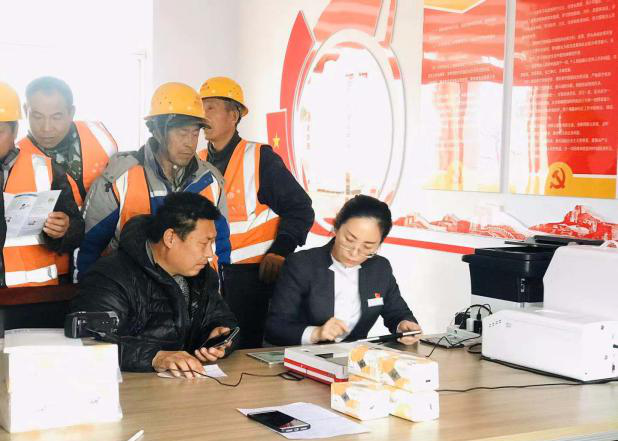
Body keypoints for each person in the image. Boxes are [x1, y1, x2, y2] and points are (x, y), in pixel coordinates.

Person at [198, 76, 314, 348]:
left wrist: (281, 250)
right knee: (211, 348)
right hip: (209, 275)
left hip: (252, 279)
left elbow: (300, 209)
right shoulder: (198, 160)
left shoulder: (260, 158)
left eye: (211, 107)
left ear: (234, 115)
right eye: (201, 108)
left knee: (246, 352)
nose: (203, 116)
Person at [72, 192, 238, 376]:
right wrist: (154, 357)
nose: (209, 254)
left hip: (188, 383)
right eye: (203, 243)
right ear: (170, 238)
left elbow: (224, 320)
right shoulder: (110, 276)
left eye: (212, 243)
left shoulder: (203, 275)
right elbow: (90, 340)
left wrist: (221, 339)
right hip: (129, 387)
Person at [76, 82, 230, 280]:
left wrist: (216, 293)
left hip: (195, 295)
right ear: (157, 130)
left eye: (195, 133)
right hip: (131, 294)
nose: (190, 143)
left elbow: (221, 248)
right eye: (182, 133)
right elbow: (88, 249)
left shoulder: (211, 180)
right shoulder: (118, 179)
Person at [265, 195, 421, 346]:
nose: (354, 253)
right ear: (336, 227)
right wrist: (316, 333)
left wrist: (404, 325)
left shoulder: (380, 268)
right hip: (301, 356)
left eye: (368, 247)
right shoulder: (302, 264)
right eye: (349, 240)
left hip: (353, 358)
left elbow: (397, 312)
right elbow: (275, 327)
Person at [0, 82, 83, 287]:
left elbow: (76, 228)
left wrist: (65, 229)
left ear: (15, 130)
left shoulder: (46, 169)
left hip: (35, 294)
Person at [20, 76, 117, 207]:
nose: (46, 128)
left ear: (71, 112)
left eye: (56, 117)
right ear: (25, 111)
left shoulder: (100, 136)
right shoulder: (13, 160)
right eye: (37, 117)